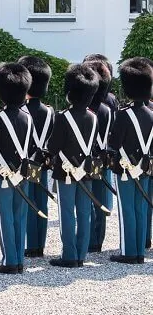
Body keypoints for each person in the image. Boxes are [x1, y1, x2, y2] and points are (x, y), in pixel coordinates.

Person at [47, 64, 99, 268]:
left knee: (67, 212)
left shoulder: (62, 117)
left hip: (66, 171)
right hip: (86, 171)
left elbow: (53, 146)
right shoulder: (93, 117)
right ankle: (82, 254)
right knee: (84, 212)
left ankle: (69, 254)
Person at [0, 62, 34, 274]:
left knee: (5, 216)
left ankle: (10, 261)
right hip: (22, 174)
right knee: (20, 216)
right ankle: (19, 260)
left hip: (4, 174)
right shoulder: (28, 118)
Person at [108, 57, 153, 264]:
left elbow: (115, 143)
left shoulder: (123, 114)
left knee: (127, 209)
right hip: (144, 167)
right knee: (140, 208)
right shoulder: (151, 114)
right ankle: (140, 252)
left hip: (126, 168)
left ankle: (129, 252)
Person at [18, 56, 54, 258]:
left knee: (28, 202)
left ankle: (31, 245)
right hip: (43, 164)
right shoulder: (50, 111)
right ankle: (40, 244)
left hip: (26, 162)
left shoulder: (22, 111)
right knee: (42, 202)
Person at [82, 60, 113, 254]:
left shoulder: (86, 109)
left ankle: (88, 240)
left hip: (86, 158)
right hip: (103, 157)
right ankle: (97, 241)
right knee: (100, 200)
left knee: (86, 201)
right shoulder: (107, 108)